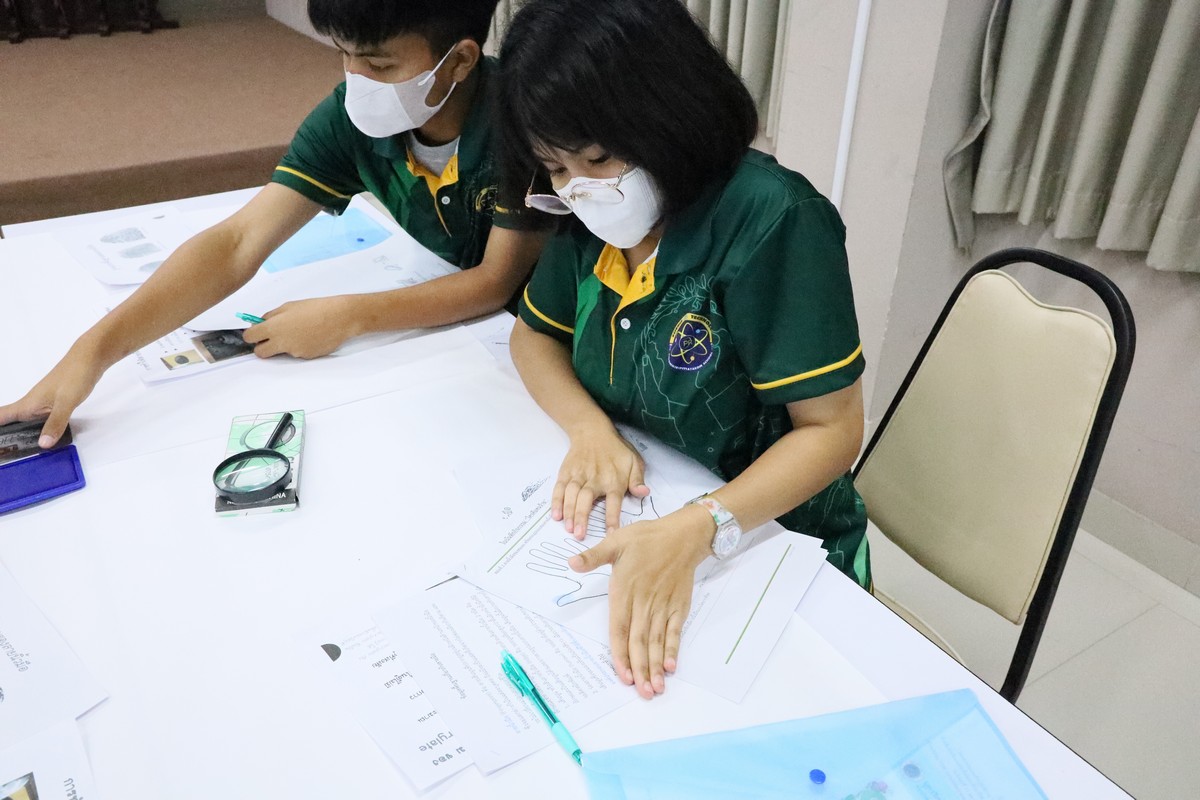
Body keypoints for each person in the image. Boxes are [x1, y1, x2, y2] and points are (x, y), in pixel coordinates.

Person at [497, 0, 870, 700]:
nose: (580, 187)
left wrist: (701, 528)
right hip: (652, 502)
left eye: (598, 157)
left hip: (772, 541)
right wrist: (589, 431)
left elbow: (834, 432)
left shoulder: (773, 220)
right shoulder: (588, 214)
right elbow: (533, 334)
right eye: (554, 167)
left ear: (666, 112)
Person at [0, 0, 546, 447]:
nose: (356, 79)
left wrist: (350, 315)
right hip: (453, 321)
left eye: (379, 66)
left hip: (536, 330)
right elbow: (239, 241)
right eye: (344, 55)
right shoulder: (350, 118)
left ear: (459, 61)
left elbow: (495, 282)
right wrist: (93, 352)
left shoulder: (521, 120)